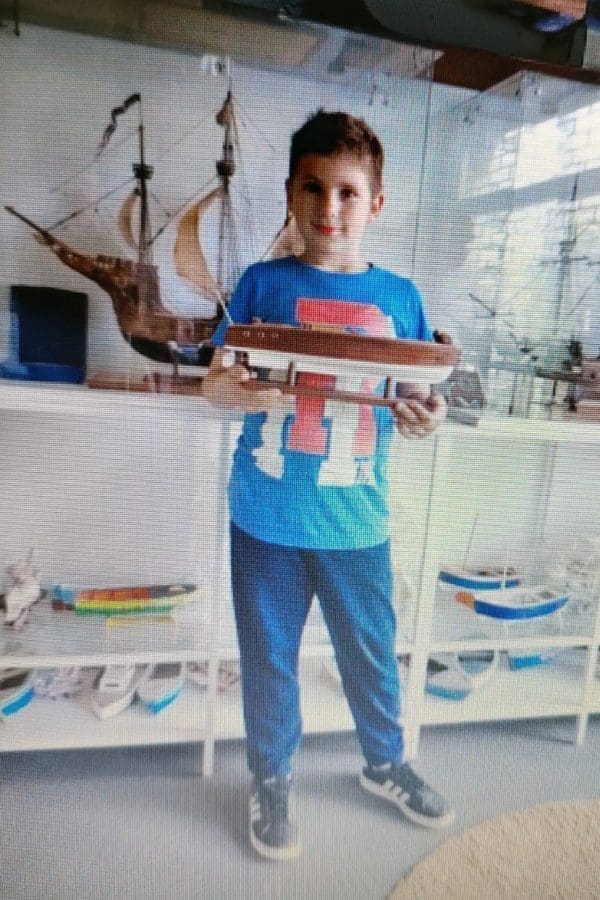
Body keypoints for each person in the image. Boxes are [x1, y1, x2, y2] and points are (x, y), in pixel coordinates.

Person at [202, 110, 454, 861]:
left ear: (375, 203)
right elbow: (215, 384)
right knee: (269, 658)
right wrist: (230, 392)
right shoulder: (261, 282)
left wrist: (428, 418)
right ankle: (271, 775)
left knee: (371, 653)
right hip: (266, 514)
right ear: (290, 193)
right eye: (312, 188)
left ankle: (385, 762)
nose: (328, 207)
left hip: (356, 519)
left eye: (347, 192)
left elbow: (421, 398)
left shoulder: (402, 298)